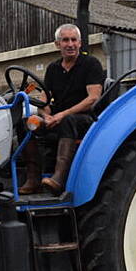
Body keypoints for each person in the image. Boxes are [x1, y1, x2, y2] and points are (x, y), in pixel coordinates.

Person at [19, 23, 104, 195]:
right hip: (58, 119)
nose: (70, 44)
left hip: (87, 120)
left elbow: (93, 98)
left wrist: (61, 115)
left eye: (74, 40)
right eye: (65, 40)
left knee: (68, 121)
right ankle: (33, 178)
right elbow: (44, 98)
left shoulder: (91, 64)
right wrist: (45, 115)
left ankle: (58, 179)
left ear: (80, 43)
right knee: (25, 123)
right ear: (58, 44)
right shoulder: (53, 68)